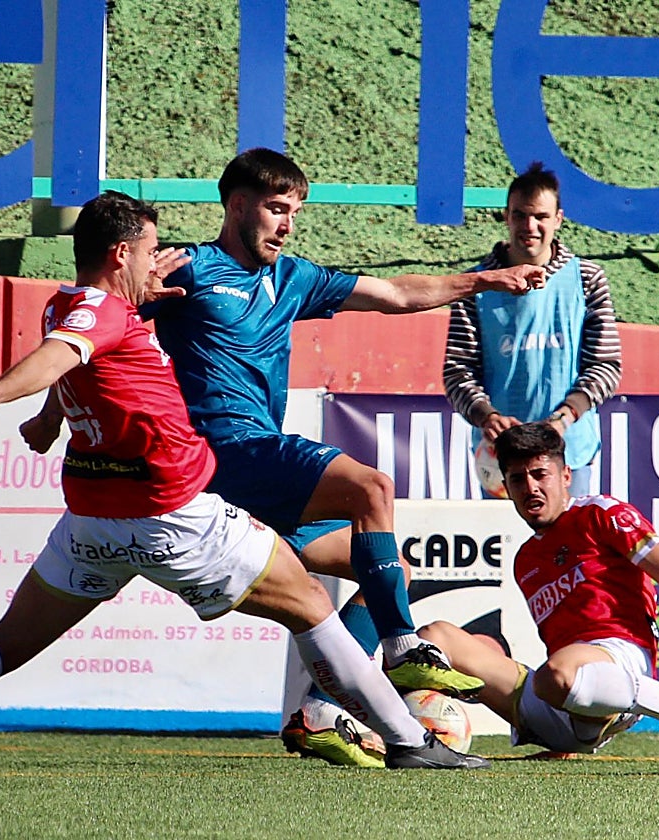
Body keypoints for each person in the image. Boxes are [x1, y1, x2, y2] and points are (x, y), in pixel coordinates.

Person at [0, 191, 490, 771]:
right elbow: (61, 353)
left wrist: (51, 418)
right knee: (309, 606)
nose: (163, 262)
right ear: (121, 255)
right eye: (151, 251)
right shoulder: (98, 310)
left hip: (92, 525)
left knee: (0, 646)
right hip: (174, 517)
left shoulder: (77, 302)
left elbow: (78, 354)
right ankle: (408, 743)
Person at [134, 147, 546, 767]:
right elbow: (100, 323)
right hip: (227, 454)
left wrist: (483, 280)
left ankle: (326, 713)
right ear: (237, 205)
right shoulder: (190, 269)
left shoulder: (295, 278)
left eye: (295, 210)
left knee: (385, 570)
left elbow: (399, 293)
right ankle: (403, 650)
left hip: (255, 477)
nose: (287, 223)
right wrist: (133, 288)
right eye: (276, 208)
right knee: (372, 489)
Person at [416, 422, 659, 759]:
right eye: (518, 479)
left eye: (541, 475)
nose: (531, 488)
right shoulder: (525, 560)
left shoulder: (601, 514)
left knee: (554, 675)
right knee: (430, 640)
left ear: (566, 475)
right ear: (506, 488)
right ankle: (401, 740)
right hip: (560, 695)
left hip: (619, 658)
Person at [443, 161, 621, 498]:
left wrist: (564, 418)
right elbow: (458, 370)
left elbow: (605, 365)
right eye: (521, 215)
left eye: (540, 216)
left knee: (571, 549)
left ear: (558, 219)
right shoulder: (476, 285)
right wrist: (487, 417)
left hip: (570, 451)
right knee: (505, 547)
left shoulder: (587, 279)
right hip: (502, 459)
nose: (530, 225)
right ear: (506, 216)